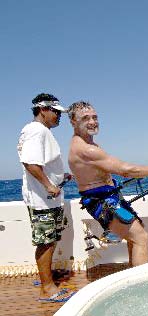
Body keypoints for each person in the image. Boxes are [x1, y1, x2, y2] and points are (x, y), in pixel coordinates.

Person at [67, 101, 148, 267]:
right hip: (103, 202)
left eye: (94, 117)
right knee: (141, 238)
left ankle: (133, 278)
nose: (92, 121)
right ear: (73, 121)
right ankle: (140, 287)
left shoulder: (89, 145)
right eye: (85, 118)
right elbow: (126, 170)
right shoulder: (87, 149)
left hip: (110, 197)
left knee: (136, 234)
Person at [17, 93, 74, 302]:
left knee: (51, 240)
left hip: (48, 198)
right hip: (43, 200)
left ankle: (46, 277)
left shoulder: (41, 131)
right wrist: (49, 185)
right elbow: (30, 163)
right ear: (43, 109)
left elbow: (44, 162)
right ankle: (47, 289)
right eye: (56, 112)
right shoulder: (35, 131)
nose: (59, 116)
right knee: (46, 243)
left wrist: (60, 176)